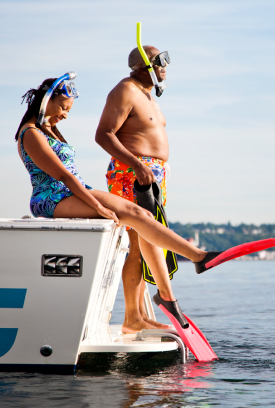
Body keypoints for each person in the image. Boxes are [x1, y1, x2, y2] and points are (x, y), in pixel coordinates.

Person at [16, 77, 206, 333]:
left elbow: (71, 178)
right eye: (63, 108)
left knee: (141, 215)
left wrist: (93, 199)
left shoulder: (49, 130)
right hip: (51, 197)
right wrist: (100, 207)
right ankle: (196, 257)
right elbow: (63, 176)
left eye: (68, 110)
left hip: (73, 190)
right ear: (46, 100)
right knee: (132, 214)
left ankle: (151, 306)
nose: (65, 115)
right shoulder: (31, 133)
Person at [94, 45, 175, 332]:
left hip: (152, 173)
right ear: (144, 65)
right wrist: (137, 165)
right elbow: (103, 135)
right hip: (133, 172)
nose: (166, 65)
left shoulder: (148, 95)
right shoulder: (125, 90)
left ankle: (139, 315)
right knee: (139, 245)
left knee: (145, 244)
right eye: (160, 61)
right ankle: (132, 318)